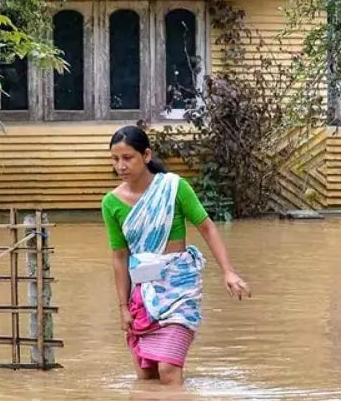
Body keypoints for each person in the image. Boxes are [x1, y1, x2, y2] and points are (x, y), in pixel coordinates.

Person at [103, 125, 250, 384]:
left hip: (178, 290)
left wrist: (228, 271)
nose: (121, 166)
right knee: (146, 377)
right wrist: (123, 307)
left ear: (146, 156)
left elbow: (206, 227)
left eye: (128, 158)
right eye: (115, 159)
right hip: (142, 295)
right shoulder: (111, 203)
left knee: (168, 372)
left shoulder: (173, 188)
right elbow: (119, 257)